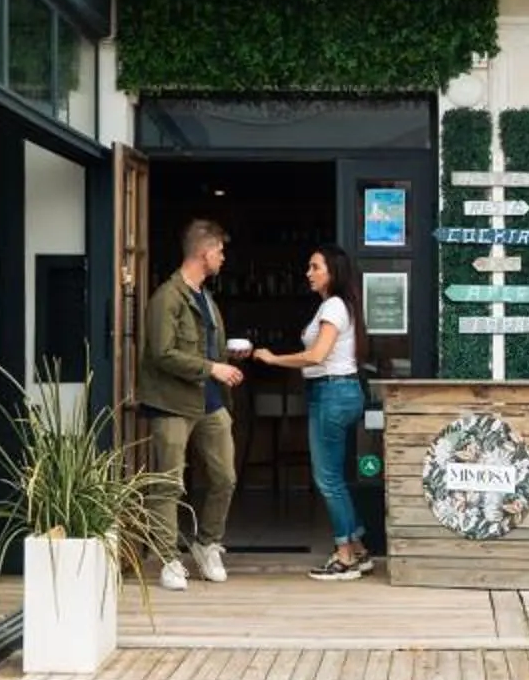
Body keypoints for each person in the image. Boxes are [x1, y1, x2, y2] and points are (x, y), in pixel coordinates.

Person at [249, 243, 372, 580]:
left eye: (315, 267)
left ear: (332, 272)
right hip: (338, 391)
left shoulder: (333, 306)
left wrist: (274, 359)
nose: (309, 273)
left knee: (327, 478)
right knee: (334, 477)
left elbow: (317, 356)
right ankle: (357, 548)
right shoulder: (337, 306)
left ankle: (344, 555)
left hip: (332, 391)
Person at [141, 218, 241, 591]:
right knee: (169, 483)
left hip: (211, 403)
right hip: (172, 403)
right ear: (204, 253)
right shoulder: (167, 298)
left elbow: (204, 349)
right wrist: (212, 367)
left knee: (225, 477)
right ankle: (168, 559)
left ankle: (206, 544)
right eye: (219, 251)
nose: (223, 258)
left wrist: (224, 362)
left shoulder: (207, 298)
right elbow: (162, 353)